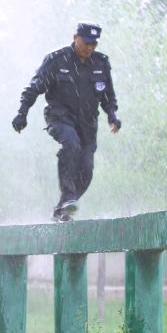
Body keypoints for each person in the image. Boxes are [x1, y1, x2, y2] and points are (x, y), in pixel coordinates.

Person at [12, 22, 121, 222]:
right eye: (86, 43)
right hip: (60, 118)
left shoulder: (101, 63)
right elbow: (34, 88)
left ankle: (63, 207)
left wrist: (112, 116)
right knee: (71, 145)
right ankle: (69, 195)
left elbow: (108, 96)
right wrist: (22, 113)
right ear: (75, 37)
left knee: (86, 170)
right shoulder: (56, 60)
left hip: (88, 124)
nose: (89, 48)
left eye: (94, 44)